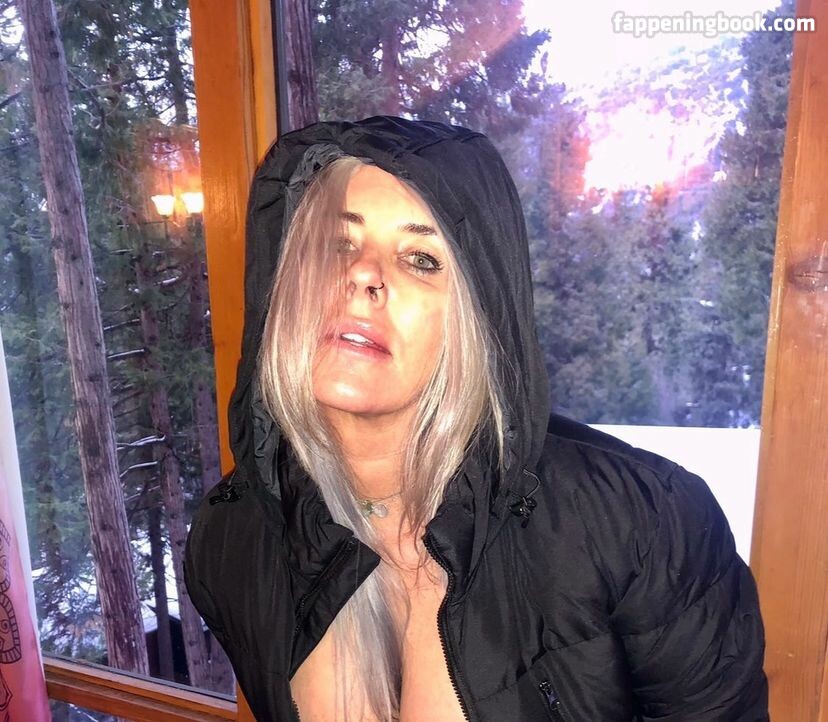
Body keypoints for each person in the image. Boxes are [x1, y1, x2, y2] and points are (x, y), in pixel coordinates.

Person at [184, 116, 768, 722]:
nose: (362, 274)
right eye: (337, 244)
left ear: (479, 313)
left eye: (421, 258)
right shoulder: (230, 542)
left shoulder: (643, 524)